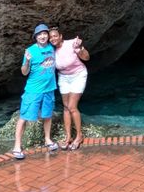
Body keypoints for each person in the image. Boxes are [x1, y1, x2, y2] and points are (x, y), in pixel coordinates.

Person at [12, 23, 60, 159]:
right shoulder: (30, 51)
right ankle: (17, 145)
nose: (43, 36)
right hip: (33, 90)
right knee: (24, 117)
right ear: (36, 37)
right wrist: (26, 61)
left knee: (47, 115)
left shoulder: (52, 48)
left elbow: (61, 43)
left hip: (49, 89)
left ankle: (47, 139)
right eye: (39, 34)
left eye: (45, 34)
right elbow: (24, 72)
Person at [49, 27, 90, 150]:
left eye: (55, 36)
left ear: (61, 36)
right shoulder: (51, 51)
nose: (53, 39)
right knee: (66, 108)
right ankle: (68, 137)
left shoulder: (72, 43)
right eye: (51, 37)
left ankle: (79, 135)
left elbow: (86, 58)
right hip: (63, 78)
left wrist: (80, 48)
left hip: (78, 75)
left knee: (72, 107)